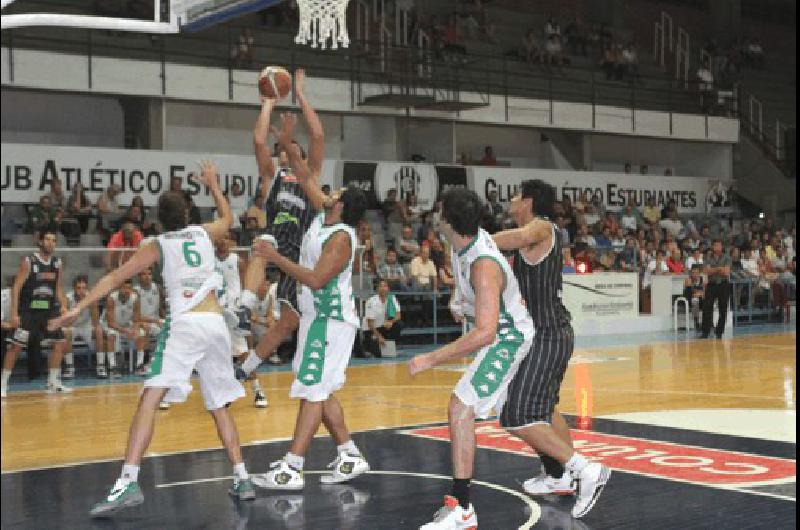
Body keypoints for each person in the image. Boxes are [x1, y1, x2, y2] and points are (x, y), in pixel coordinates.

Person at [48, 160, 255, 516]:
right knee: (218, 403)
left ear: (158, 220)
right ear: (188, 211)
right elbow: (229, 218)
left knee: (149, 397)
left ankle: (128, 480)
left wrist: (76, 307)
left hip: (187, 325)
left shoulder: (157, 243)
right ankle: (241, 475)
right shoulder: (204, 233)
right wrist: (214, 184)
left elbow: (113, 279)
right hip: (216, 325)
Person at [408, 188, 535, 528]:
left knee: (460, 406)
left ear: (448, 220)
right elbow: (466, 288)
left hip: (507, 337)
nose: (435, 214)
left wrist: (430, 359)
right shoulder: (460, 243)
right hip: (498, 333)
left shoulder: (483, 264)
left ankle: (462, 508)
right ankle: (572, 468)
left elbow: (486, 333)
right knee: (519, 415)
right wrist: (457, 299)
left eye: (439, 210)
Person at [491, 180, 611, 516]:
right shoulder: (536, 233)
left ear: (528, 201)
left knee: (516, 413)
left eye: (516, 196)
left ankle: (586, 470)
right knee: (544, 409)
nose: (511, 201)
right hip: (544, 334)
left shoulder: (541, 226)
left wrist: (477, 243)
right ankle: (560, 476)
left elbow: (517, 239)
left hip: (548, 334)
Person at [248, 184, 371, 490]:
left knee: (313, 390)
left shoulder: (341, 238)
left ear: (341, 205)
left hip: (330, 321)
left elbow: (316, 280)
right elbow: (305, 174)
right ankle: (348, 454)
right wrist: (288, 149)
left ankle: (292, 467)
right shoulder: (321, 218)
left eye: (337, 192)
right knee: (320, 389)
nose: (330, 192)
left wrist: (274, 257)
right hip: (315, 319)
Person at [234, 68, 328, 380]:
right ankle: (245, 307)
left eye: (292, 149)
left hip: (301, 254)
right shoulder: (272, 178)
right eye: (284, 150)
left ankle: (246, 368)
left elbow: (317, 136)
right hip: (276, 240)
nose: (287, 153)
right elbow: (259, 141)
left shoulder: (309, 178)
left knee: (288, 322)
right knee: (263, 243)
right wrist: (268, 103)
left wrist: (299, 94)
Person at [2, 229, 71, 397]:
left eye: (53, 240)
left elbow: (58, 288)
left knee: (60, 342)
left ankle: (53, 381)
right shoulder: (29, 261)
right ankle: (3, 383)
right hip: (29, 310)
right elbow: (16, 287)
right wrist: (14, 314)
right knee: (16, 346)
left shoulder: (57, 263)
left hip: (48, 310)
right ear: (40, 242)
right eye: (47, 239)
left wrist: (63, 306)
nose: (50, 243)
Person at [215, 231, 267, 408]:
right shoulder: (209, 262)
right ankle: (226, 393)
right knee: (221, 356)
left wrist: (247, 307)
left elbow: (248, 285)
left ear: (231, 242)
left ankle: (258, 390)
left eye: (225, 239)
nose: (222, 242)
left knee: (244, 354)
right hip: (217, 313)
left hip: (235, 312)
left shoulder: (237, 260)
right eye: (219, 239)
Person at [62, 275, 103, 380]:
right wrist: (78, 309)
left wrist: (92, 304)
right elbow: (65, 321)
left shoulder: (91, 297)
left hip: (86, 326)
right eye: (79, 288)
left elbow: (96, 320)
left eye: (84, 288)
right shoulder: (67, 298)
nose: (81, 291)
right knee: (66, 332)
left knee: (99, 330)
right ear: (74, 289)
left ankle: (101, 366)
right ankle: (70, 368)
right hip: (72, 326)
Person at [100, 278, 139, 378]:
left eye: (129, 288)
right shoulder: (111, 298)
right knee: (112, 335)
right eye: (124, 288)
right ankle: (113, 368)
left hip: (125, 325)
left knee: (141, 333)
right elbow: (111, 323)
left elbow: (136, 319)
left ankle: (140, 365)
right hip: (107, 324)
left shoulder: (135, 298)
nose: (127, 290)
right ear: (119, 288)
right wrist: (126, 330)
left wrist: (134, 330)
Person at [133, 267, 164, 376]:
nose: (147, 277)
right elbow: (135, 316)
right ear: (139, 277)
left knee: (169, 329)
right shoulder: (135, 291)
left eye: (149, 274)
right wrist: (154, 321)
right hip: (139, 321)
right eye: (144, 274)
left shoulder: (157, 288)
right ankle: (141, 365)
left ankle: (156, 362)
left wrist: (165, 320)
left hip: (155, 320)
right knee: (144, 329)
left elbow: (160, 309)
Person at [362, 279, 404, 358]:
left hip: (383, 327)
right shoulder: (371, 301)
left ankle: (390, 346)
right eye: (380, 286)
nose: (383, 288)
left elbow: (398, 315)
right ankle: (369, 345)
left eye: (385, 286)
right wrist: (379, 337)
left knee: (399, 324)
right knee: (378, 354)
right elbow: (370, 324)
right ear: (377, 289)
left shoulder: (392, 298)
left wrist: (391, 321)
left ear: (388, 288)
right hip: (371, 330)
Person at [702, 239, 731, 338]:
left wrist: (713, 269)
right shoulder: (707, 258)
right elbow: (706, 271)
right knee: (707, 308)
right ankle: (705, 331)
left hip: (723, 284)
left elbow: (726, 272)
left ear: (722, 247)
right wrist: (719, 269)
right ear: (713, 247)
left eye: (719, 245)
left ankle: (719, 332)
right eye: (716, 246)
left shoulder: (727, 257)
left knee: (723, 308)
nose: (718, 247)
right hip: (711, 284)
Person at [685, 264, 705, 331]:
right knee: (695, 300)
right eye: (693, 273)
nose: (695, 274)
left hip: (700, 298)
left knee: (708, 300)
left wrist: (701, 293)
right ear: (691, 273)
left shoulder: (702, 279)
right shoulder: (688, 279)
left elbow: (704, 291)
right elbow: (692, 292)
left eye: (696, 273)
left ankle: (709, 323)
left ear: (699, 273)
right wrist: (699, 293)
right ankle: (696, 323)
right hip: (690, 299)